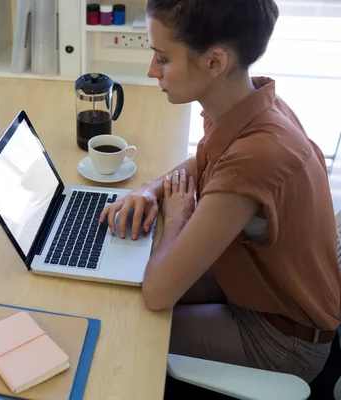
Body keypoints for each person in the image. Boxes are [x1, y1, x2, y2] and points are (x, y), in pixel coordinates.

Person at [99, 0, 341, 383]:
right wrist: (151, 189)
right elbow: (213, 160)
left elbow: (158, 294)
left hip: (282, 338)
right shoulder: (253, 104)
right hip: (254, 283)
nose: (151, 71)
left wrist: (178, 216)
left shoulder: (258, 156)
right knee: (119, 281)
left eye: (163, 59)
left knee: (125, 325)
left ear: (215, 62)